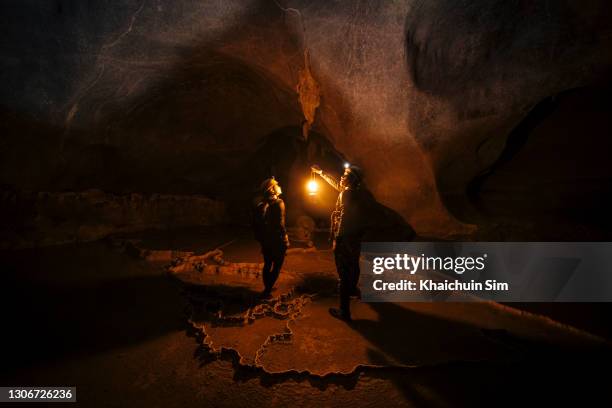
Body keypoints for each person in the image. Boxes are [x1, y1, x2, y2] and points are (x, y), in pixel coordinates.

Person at [311, 163, 368, 321]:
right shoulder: (357, 192)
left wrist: (338, 238)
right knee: (354, 264)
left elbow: (344, 218)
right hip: (356, 237)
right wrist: (321, 172)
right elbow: (337, 184)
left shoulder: (346, 194)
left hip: (346, 237)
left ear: (351, 179)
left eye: (345, 174)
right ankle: (352, 289)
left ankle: (344, 311)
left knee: (343, 272)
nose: (342, 177)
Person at [253, 177, 290, 298]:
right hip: (277, 240)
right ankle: (267, 290)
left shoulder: (261, 204)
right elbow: (280, 224)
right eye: (276, 185)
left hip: (266, 240)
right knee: (277, 266)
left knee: (267, 264)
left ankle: (267, 287)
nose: (279, 185)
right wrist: (285, 237)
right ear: (272, 189)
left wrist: (262, 239)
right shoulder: (279, 203)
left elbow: (257, 224)